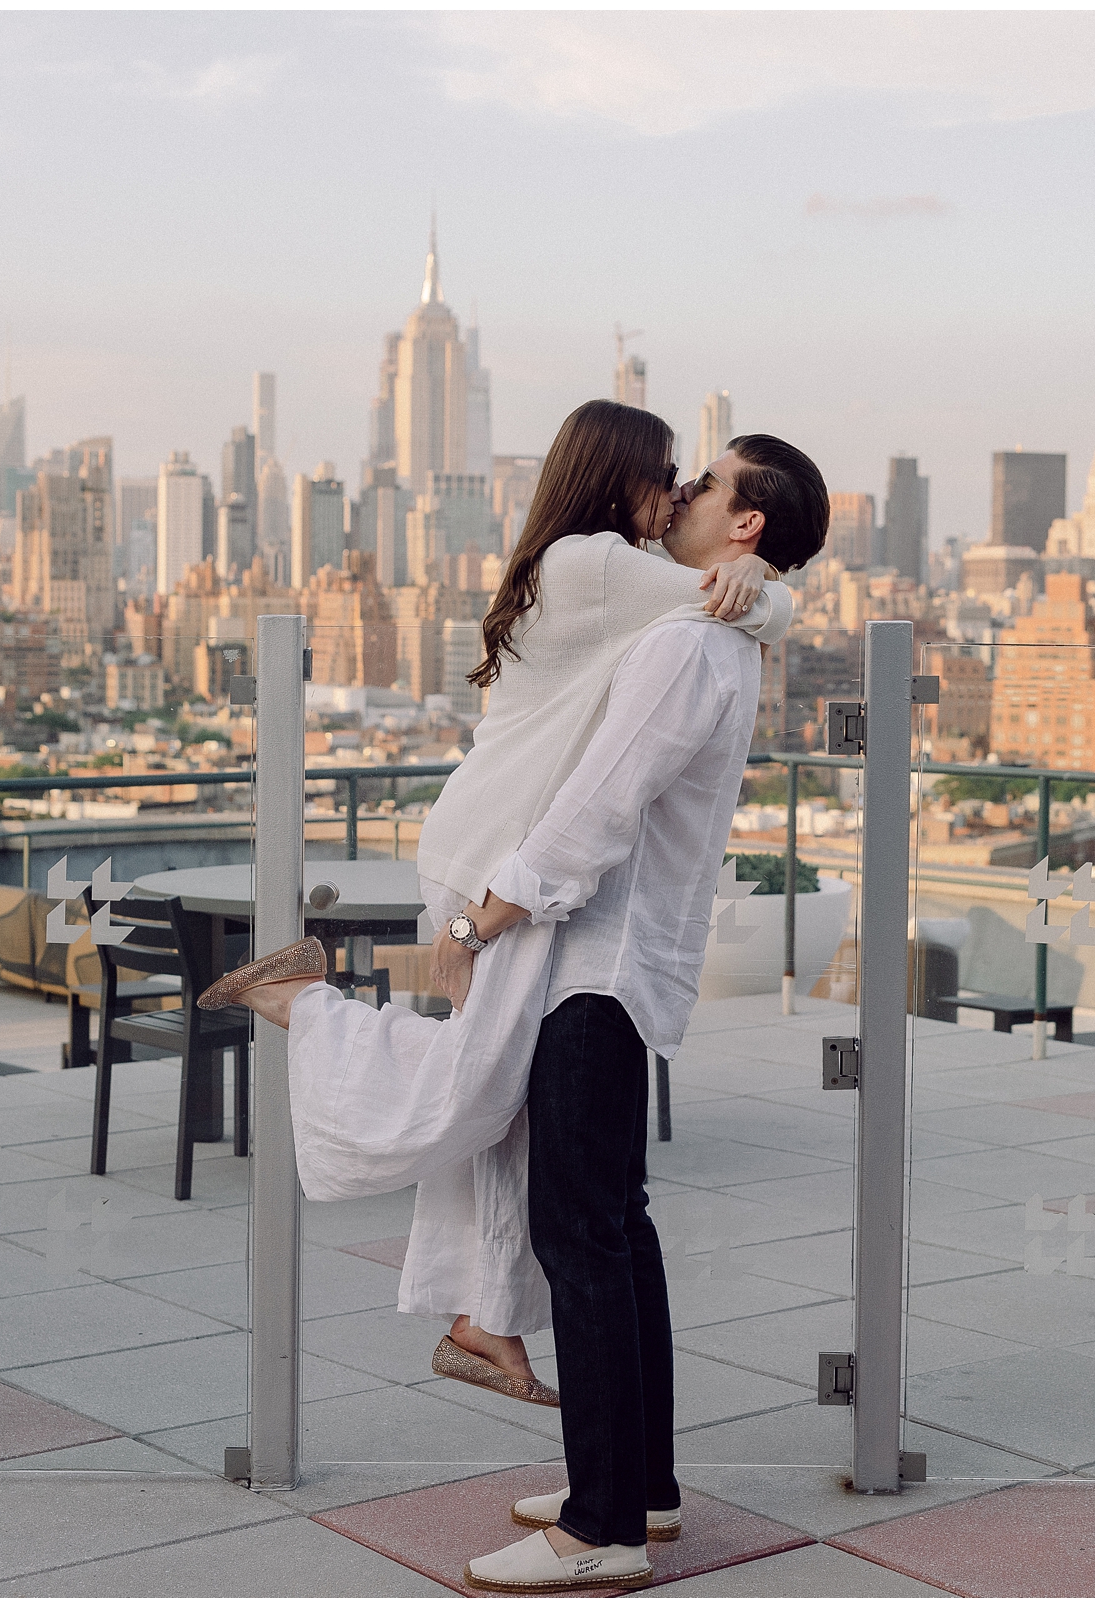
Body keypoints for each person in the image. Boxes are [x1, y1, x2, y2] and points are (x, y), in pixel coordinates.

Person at [197, 400, 797, 1405]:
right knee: (478, 1092)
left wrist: (754, 581)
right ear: (618, 476)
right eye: (668, 474)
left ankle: (480, 1321)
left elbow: (732, 611)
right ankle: (306, 1006)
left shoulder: (583, 563)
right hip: (495, 862)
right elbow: (739, 611)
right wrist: (757, 582)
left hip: (495, 854)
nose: (678, 492)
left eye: (697, 483)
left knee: (508, 1110)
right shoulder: (595, 564)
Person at [453, 434, 831, 1592]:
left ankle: (601, 1526)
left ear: (747, 523)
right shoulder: (713, 629)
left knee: (583, 1238)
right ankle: (643, 1489)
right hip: (622, 965)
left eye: (705, 484)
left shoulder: (684, 644)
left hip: (596, 970)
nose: (680, 495)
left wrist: (481, 922)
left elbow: (596, 810)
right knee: (618, 1226)